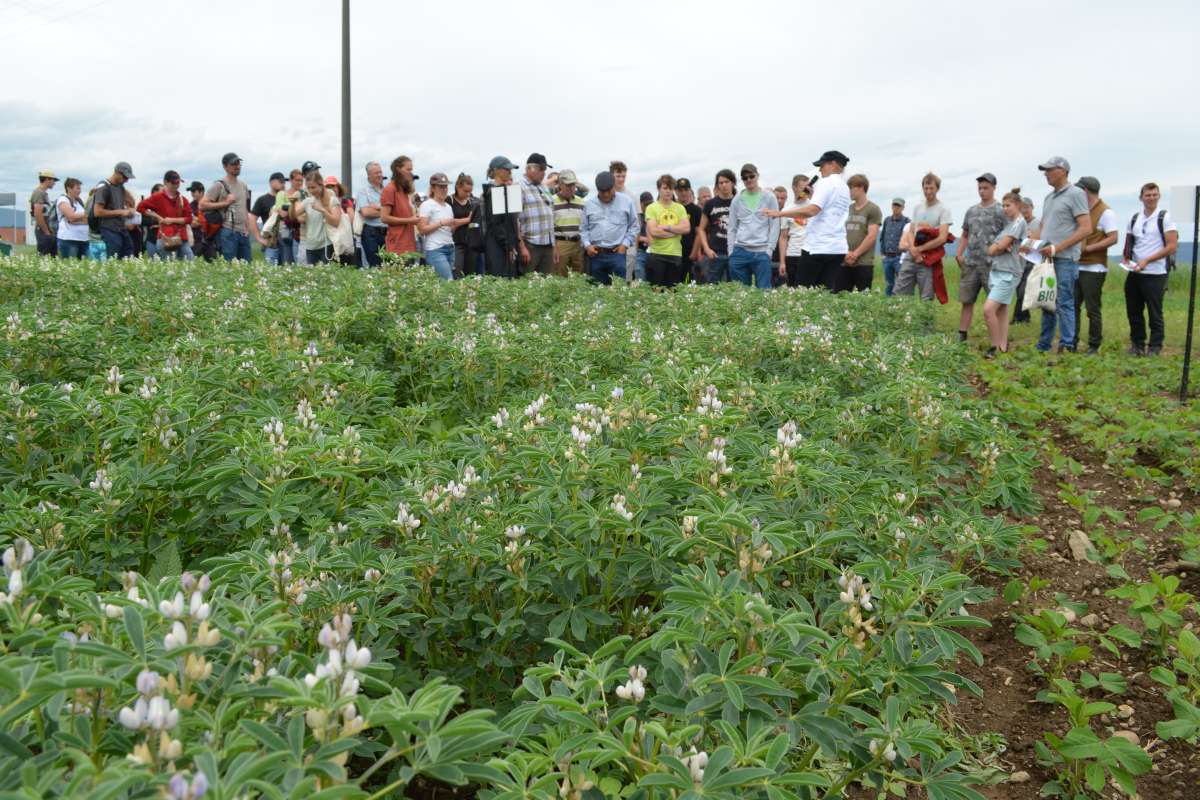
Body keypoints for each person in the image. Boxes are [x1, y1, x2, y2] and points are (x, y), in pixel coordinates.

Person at [1021, 157, 1092, 355]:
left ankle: (1067, 346)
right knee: (1047, 302)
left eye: (1049, 170)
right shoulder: (1048, 197)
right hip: (1047, 258)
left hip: (1065, 258)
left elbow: (1086, 229)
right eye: (1045, 170)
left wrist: (1058, 248)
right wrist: (1028, 245)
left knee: (1064, 302)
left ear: (1063, 171)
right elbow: (1044, 227)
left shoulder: (1076, 194)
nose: (1046, 174)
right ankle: (1044, 345)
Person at [766, 151, 850, 291]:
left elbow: (812, 211)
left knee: (802, 291)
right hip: (837, 248)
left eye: (822, 165)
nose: (819, 169)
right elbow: (827, 211)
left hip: (818, 247)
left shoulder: (825, 182)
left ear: (833, 165)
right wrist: (813, 196)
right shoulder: (844, 187)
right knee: (825, 290)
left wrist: (781, 213)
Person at [1122, 183, 1178, 357]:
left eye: (1154, 195)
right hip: (1136, 272)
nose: (1151, 198)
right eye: (1148, 195)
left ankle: (1154, 347)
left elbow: (1172, 247)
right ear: (1141, 198)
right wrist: (1126, 257)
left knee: (1155, 312)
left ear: (1159, 196)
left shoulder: (1166, 217)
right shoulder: (1134, 217)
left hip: (1156, 273)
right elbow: (1130, 241)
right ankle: (1137, 345)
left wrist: (1147, 260)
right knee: (1134, 311)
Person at [955, 173, 1007, 342]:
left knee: (997, 304)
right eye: (980, 188)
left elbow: (1009, 236)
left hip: (993, 265)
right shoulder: (971, 211)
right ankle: (962, 335)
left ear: (994, 188)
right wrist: (958, 253)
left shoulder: (1001, 210)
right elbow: (964, 234)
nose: (982, 191)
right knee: (966, 300)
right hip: (971, 263)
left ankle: (1000, 341)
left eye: (985, 188)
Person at [1072, 177, 1119, 355]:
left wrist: (1088, 248)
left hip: (1094, 268)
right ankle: (1072, 342)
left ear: (1085, 191)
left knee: (1092, 309)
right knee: (1073, 307)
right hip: (1076, 265)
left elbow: (1113, 238)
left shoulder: (1106, 212)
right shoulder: (1081, 210)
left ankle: (1093, 346)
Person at [981, 189, 1030, 358]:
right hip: (998, 270)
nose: (1005, 208)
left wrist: (1000, 247)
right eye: (1003, 205)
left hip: (1009, 272)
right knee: (1001, 311)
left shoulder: (1018, 223)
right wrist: (999, 247)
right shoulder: (1008, 225)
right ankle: (1002, 346)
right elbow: (991, 250)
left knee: (988, 310)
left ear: (1018, 205)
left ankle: (994, 346)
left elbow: (1000, 247)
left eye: (1008, 205)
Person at [725, 163, 779, 289]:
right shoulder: (737, 199)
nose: (749, 179)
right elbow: (732, 227)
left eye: (751, 176)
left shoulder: (769, 197)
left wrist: (769, 250)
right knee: (740, 295)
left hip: (762, 252)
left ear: (757, 176)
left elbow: (774, 225)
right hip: (739, 251)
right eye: (745, 178)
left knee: (764, 293)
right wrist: (731, 251)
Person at [580, 171, 638, 286]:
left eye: (609, 190)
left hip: (617, 254)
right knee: (597, 291)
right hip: (596, 254)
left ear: (615, 186)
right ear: (597, 189)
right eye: (602, 191)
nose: (606, 194)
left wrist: (624, 245)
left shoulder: (626, 202)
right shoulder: (589, 204)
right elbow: (584, 228)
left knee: (619, 291)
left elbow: (634, 226)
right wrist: (587, 246)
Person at [200, 153, 252, 262]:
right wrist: (225, 203)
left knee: (248, 268)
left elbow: (245, 208)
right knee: (230, 268)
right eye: (234, 164)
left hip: (243, 232)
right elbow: (202, 205)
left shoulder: (243, 184)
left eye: (239, 163)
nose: (237, 166)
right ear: (225, 166)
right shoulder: (219, 185)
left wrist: (247, 228)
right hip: (228, 231)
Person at [643, 175, 690, 288]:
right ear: (659, 189)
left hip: (675, 254)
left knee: (671, 292)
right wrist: (676, 230)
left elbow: (687, 229)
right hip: (657, 254)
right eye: (665, 188)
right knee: (656, 291)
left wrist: (666, 227)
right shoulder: (652, 208)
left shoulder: (680, 208)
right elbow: (654, 231)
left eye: (670, 188)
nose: (668, 191)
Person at [136, 171, 195, 262]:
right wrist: (157, 217)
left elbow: (189, 219)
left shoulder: (183, 199)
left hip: (181, 237)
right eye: (173, 183)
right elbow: (140, 207)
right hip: (166, 238)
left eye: (178, 183)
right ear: (166, 182)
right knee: (171, 268)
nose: (176, 185)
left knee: (191, 263)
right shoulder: (158, 197)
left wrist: (172, 220)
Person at [838, 174, 881, 293]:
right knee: (839, 299)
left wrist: (854, 255)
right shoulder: (847, 208)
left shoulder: (873, 209)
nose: (848, 192)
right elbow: (839, 232)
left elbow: (872, 236)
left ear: (861, 188)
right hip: (843, 262)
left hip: (863, 263)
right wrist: (846, 254)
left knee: (863, 301)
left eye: (850, 188)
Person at [481, 156, 522, 278]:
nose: (510, 172)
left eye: (511, 169)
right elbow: (496, 223)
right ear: (496, 170)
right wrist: (508, 246)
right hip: (498, 250)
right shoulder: (495, 192)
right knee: (501, 284)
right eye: (507, 169)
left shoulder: (504, 190)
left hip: (507, 247)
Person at [517, 153, 558, 276]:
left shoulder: (544, 187)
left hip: (547, 244)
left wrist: (554, 246)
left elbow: (550, 218)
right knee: (527, 284)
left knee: (545, 285)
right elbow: (514, 219)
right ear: (529, 168)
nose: (543, 173)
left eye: (544, 170)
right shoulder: (518, 186)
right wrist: (522, 247)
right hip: (530, 244)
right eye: (540, 169)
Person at [417, 174, 461, 280]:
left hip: (450, 248)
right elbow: (422, 230)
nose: (445, 189)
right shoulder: (427, 205)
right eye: (441, 187)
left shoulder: (449, 207)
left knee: (442, 285)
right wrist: (441, 223)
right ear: (433, 188)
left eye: (446, 186)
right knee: (448, 282)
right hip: (435, 249)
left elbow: (450, 231)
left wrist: (454, 226)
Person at [293, 170, 342, 265]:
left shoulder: (332, 200)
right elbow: (294, 215)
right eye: (309, 188)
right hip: (310, 246)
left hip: (326, 245)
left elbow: (336, 222)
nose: (311, 191)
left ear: (321, 185)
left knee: (328, 275)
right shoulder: (308, 201)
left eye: (313, 187)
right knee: (311, 277)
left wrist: (323, 210)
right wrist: (292, 203)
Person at [697, 169, 735, 284]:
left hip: (734, 251)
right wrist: (706, 249)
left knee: (735, 286)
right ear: (717, 185)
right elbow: (701, 229)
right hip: (715, 252)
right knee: (714, 287)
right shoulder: (710, 204)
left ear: (732, 182)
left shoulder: (739, 201)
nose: (724, 185)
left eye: (727, 181)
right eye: (721, 182)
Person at [93, 162, 137, 259]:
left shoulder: (120, 187)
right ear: (117, 172)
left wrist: (128, 211)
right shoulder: (103, 187)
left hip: (122, 229)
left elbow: (117, 208)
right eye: (125, 177)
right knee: (114, 262)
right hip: (109, 229)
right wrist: (121, 212)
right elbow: (97, 212)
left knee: (129, 261)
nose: (126, 180)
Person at [380, 156, 421, 261]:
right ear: (398, 169)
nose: (410, 172)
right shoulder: (390, 189)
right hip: (397, 248)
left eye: (411, 169)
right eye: (408, 169)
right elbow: (384, 218)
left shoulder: (402, 190)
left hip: (408, 247)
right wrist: (409, 220)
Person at [778, 175, 811, 287]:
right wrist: (782, 262)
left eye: (808, 186)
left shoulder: (814, 207)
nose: (806, 190)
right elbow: (783, 237)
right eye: (803, 187)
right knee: (794, 287)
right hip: (793, 254)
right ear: (794, 188)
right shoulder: (786, 211)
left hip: (811, 253)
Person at [1011, 197, 1041, 323]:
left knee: (1024, 289)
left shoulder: (1037, 222)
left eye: (1027, 207)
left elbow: (1040, 240)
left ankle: (1017, 317)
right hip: (1019, 260)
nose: (1025, 210)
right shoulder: (1019, 221)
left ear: (1032, 207)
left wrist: (1029, 235)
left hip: (1033, 260)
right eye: (1022, 208)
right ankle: (1024, 317)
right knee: (1020, 289)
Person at [610, 161, 641, 280]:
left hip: (629, 243)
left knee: (625, 280)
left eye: (623, 176)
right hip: (611, 243)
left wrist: (635, 244)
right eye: (618, 176)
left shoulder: (633, 196)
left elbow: (638, 222)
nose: (621, 179)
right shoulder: (606, 194)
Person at [353, 162, 388, 268]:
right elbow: (366, 212)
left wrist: (378, 207)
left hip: (388, 232)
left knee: (391, 265)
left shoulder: (387, 191)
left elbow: (395, 210)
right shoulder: (363, 191)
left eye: (380, 172)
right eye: (376, 172)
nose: (379, 175)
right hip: (371, 233)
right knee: (374, 266)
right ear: (369, 174)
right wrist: (385, 211)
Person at [553, 170, 586, 276]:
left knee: (579, 276)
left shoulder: (581, 202)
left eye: (573, 184)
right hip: (561, 243)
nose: (572, 188)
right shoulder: (551, 201)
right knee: (559, 275)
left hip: (578, 243)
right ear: (560, 184)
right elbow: (549, 227)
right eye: (568, 185)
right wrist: (554, 248)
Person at [249, 172, 287, 264]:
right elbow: (252, 218)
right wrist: (259, 238)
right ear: (272, 183)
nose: (283, 185)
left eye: (284, 182)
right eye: (280, 182)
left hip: (286, 239)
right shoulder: (263, 200)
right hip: (271, 241)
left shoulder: (287, 198)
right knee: (271, 271)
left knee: (287, 268)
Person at [450, 174, 479, 278]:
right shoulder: (450, 201)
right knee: (457, 275)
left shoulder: (472, 202)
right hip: (456, 243)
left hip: (470, 244)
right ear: (458, 187)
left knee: (469, 276)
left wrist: (463, 221)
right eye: (465, 191)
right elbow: (451, 222)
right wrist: (468, 219)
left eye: (470, 191)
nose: (468, 194)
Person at [879, 198, 909, 296]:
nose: (896, 207)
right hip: (887, 257)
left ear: (903, 208)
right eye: (895, 205)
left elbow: (910, 240)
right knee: (889, 285)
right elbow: (882, 238)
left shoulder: (907, 221)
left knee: (903, 284)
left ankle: (904, 306)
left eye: (899, 205)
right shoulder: (887, 220)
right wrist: (882, 254)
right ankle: (888, 307)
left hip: (899, 258)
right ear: (892, 206)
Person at [675, 178, 703, 283]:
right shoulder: (671, 207)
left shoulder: (696, 210)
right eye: (680, 190)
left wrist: (693, 254)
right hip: (673, 251)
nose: (683, 193)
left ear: (690, 191)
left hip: (689, 251)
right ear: (676, 191)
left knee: (690, 283)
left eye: (686, 190)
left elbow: (698, 233)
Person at [54, 178, 89, 259]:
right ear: (69, 189)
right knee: (70, 266)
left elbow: (91, 219)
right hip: (69, 240)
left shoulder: (82, 201)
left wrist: (77, 221)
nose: (80, 191)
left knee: (85, 267)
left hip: (84, 239)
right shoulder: (63, 200)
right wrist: (86, 214)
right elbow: (71, 217)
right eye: (77, 189)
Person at [31, 170, 59, 256]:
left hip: (47, 231)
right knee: (43, 258)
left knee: (51, 258)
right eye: (53, 180)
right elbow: (38, 214)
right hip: (43, 231)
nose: (54, 183)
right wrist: (47, 232)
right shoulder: (39, 193)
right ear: (47, 179)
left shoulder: (42, 193)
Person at [187, 181, 215, 261]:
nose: (192, 194)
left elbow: (212, 220)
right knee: (193, 265)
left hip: (209, 240)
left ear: (201, 192)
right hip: (196, 240)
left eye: (194, 191)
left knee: (213, 265)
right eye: (191, 192)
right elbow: (190, 224)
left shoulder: (209, 204)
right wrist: (203, 219)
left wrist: (198, 219)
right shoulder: (189, 206)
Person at [636, 192, 653, 278]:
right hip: (640, 251)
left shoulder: (654, 216)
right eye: (646, 204)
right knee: (641, 282)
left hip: (653, 252)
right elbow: (632, 235)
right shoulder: (637, 217)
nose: (648, 206)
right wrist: (644, 239)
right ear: (640, 203)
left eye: (650, 204)